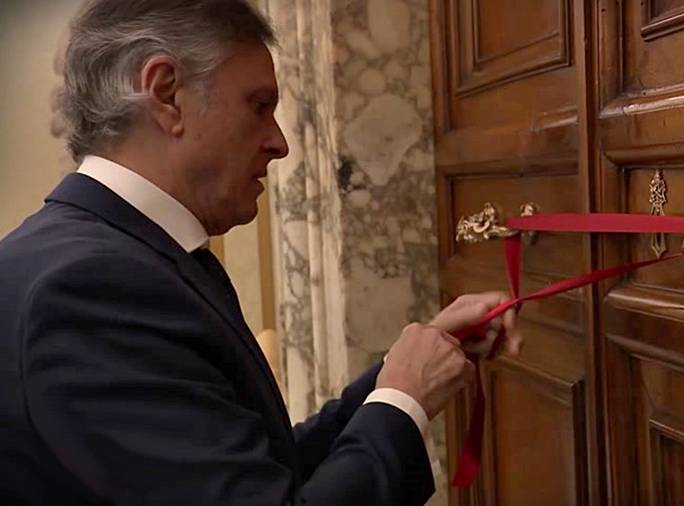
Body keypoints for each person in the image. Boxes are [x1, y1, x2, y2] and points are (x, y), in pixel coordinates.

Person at [0, 1, 522, 504]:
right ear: (167, 94)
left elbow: (253, 472)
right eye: (258, 106)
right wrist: (405, 398)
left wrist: (408, 367)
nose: (280, 143)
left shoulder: (118, 254)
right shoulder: (90, 287)